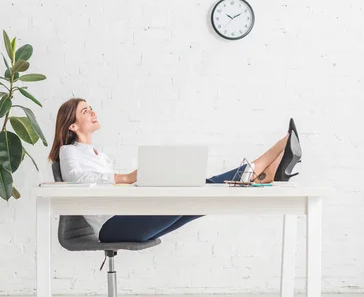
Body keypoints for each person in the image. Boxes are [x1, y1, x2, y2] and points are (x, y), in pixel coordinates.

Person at [47, 98, 302, 243]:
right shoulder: (69, 151)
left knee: (201, 196)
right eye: (85, 110)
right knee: (197, 194)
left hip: (126, 216)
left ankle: (263, 170)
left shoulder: (99, 155)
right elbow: (77, 180)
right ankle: (265, 164)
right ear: (72, 125)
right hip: (111, 227)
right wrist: (125, 178)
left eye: (91, 107)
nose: (92, 111)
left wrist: (137, 182)